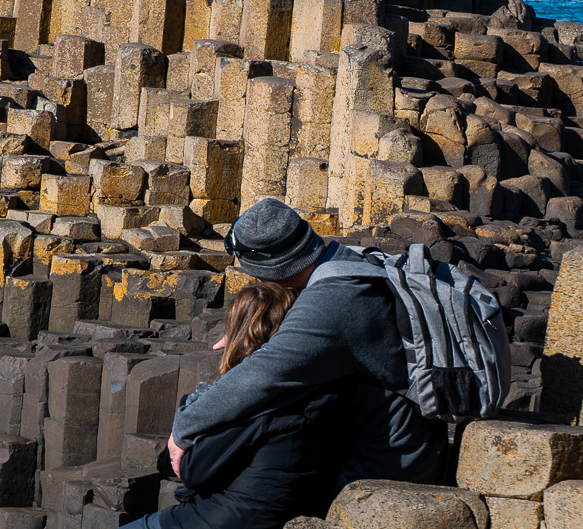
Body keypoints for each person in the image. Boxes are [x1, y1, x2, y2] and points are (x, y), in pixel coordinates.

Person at [71, 270, 349, 529]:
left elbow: (192, 470)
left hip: (226, 523)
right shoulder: (318, 384)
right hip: (273, 513)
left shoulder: (253, 395)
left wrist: (202, 399)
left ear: (236, 333)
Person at [170, 197, 449, 486]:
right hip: (418, 440)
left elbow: (260, 378)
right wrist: (249, 324)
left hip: (389, 464)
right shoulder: (348, 261)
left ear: (269, 269)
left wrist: (184, 427)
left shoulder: (332, 303)